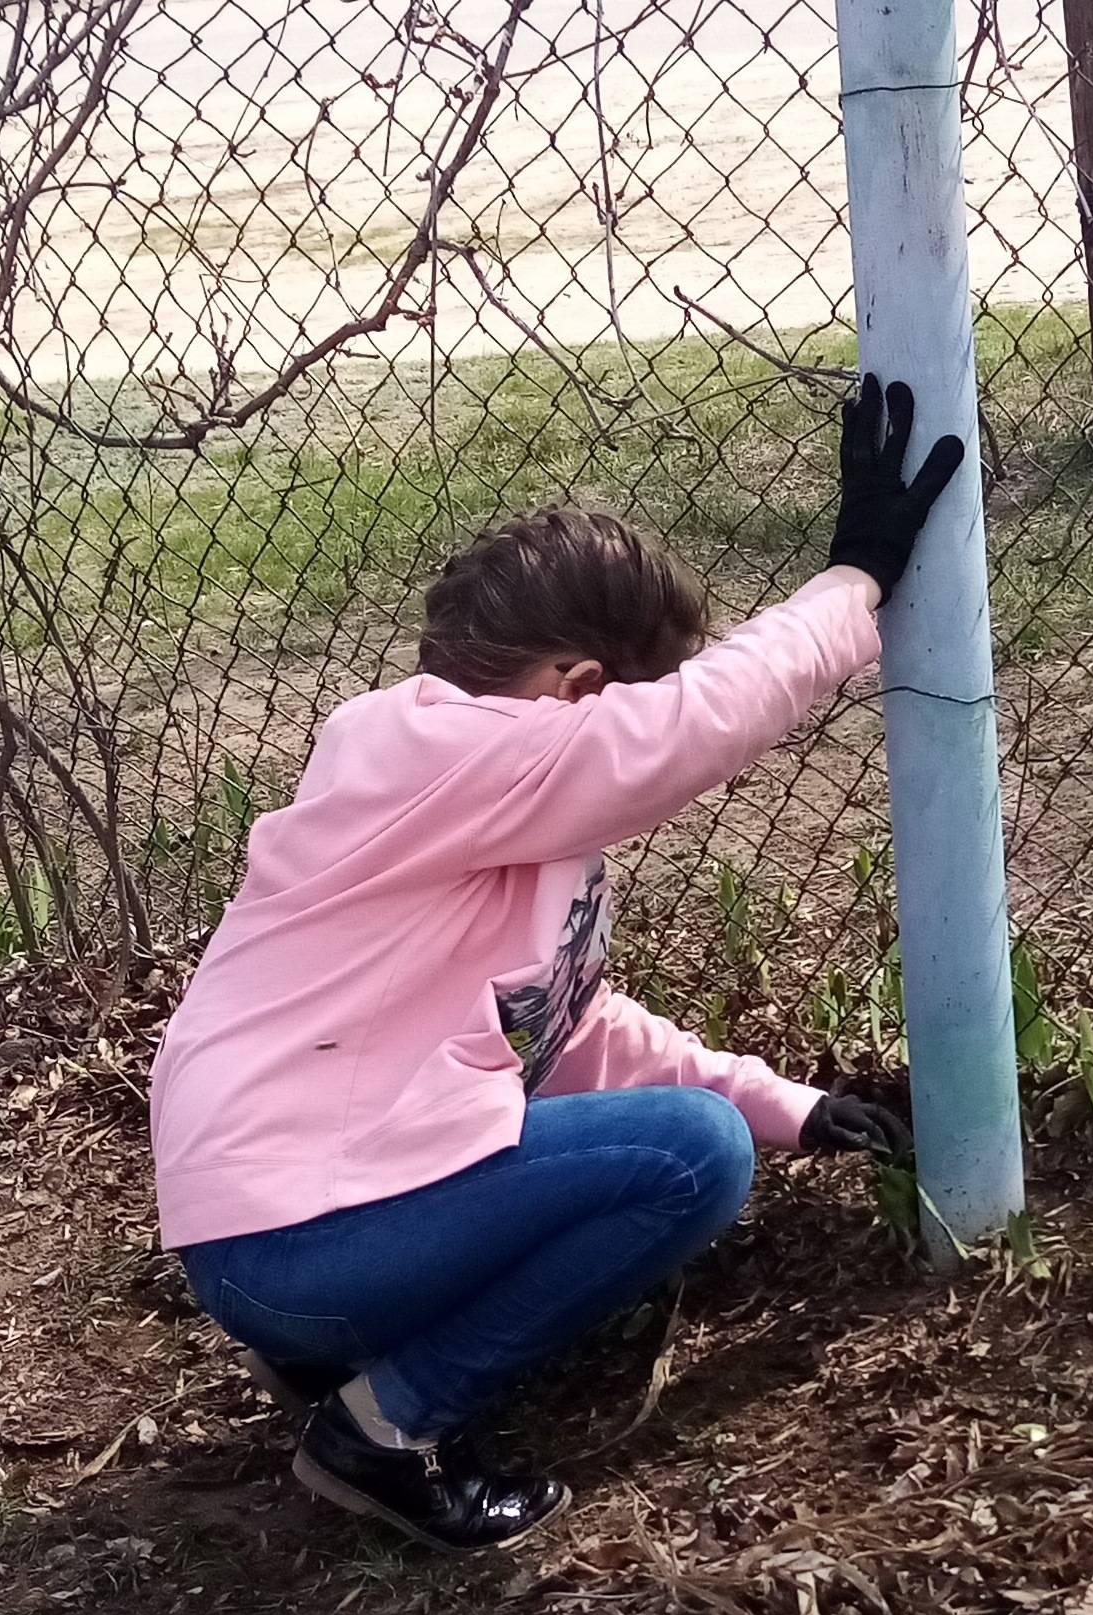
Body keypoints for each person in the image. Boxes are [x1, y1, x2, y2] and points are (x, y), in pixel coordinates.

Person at [150, 376, 964, 1553]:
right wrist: (854, 578)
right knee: (692, 1156)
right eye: (613, 709)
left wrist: (790, 1104)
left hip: (280, 1242)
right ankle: (388, 1427)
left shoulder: (468, 811)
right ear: (576, 688)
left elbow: (561, 1026)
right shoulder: (427, 749)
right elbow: (682, 731)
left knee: (708, 1122)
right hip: (298, 1237)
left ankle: (339, 1352)